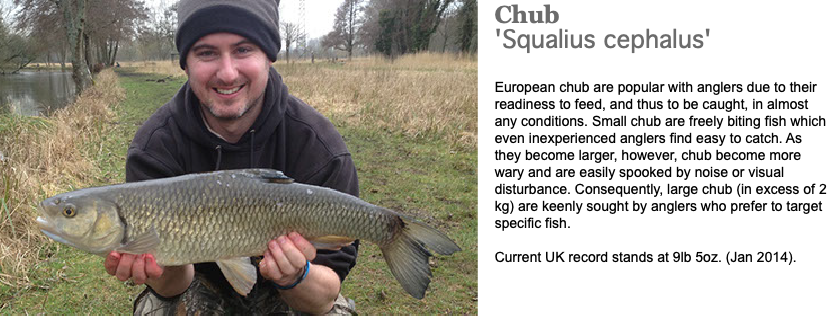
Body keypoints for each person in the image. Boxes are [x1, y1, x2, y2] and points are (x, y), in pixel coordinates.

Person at [103, 0, 359, 314]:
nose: (227, 73)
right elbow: (171, 288)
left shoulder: (319, 146)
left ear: (268, 57)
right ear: (185, 63)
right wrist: (161, 268)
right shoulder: (155, 147)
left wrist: (295, 274)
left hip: (297, 284)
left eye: (243, 49)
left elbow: (325, 297)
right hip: (199, 282)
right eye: (206, 52)